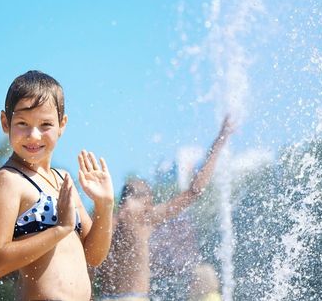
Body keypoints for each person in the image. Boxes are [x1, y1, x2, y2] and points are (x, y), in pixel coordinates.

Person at [0, 70, 114, 300]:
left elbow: (93, 257)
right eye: (23, 123)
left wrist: (104, 206)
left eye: (45, 124)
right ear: (6, 122)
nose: (34, 135)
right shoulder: (9, 180)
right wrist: (59, 231)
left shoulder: (62, 179)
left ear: (62, 124)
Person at [97, 116, 234, 301]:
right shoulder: (143, 217)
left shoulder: (102, 221)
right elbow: (194, 191)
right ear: (146, 202)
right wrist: (219, 142)